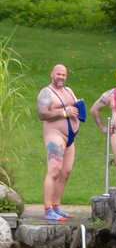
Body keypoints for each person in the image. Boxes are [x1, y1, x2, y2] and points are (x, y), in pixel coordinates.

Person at [37, 65, 84, 222]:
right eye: (58, 74)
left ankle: (56, 206)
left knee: (66, 172)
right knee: (54, 170)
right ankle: (48, 209)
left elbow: (74, 106)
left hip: (70, 138)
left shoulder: (69, 90)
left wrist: (79, 106)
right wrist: (64, 113)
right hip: (55, 135)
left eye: (63, 74)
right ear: (52, 74)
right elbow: (42, 113)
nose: (61, 77)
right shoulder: (46, 92)